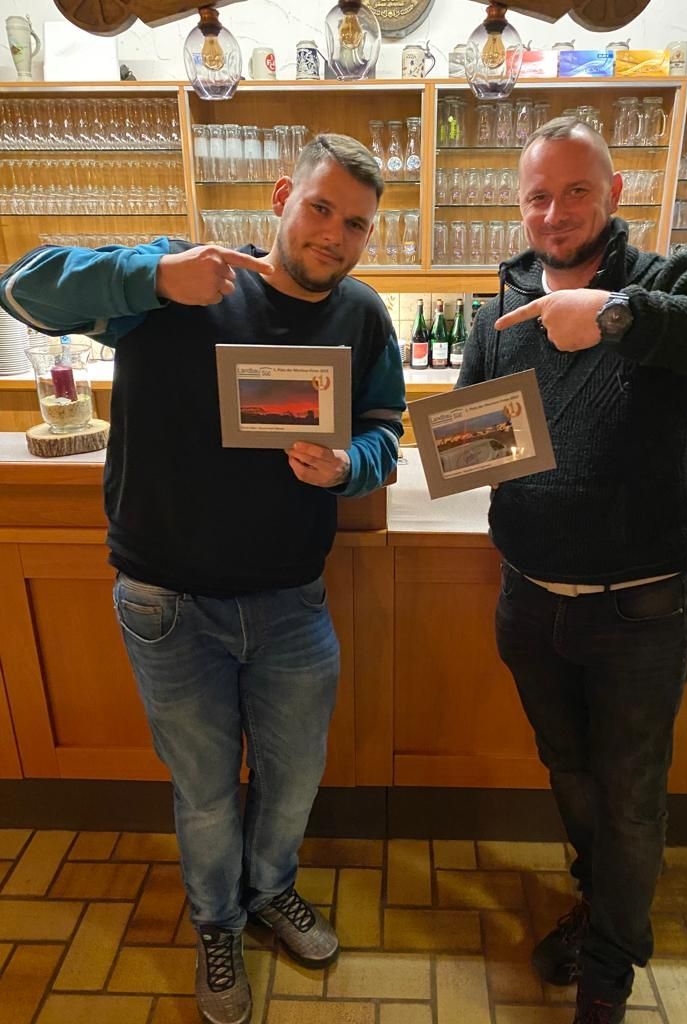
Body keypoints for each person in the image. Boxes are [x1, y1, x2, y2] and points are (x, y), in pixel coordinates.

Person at [0, 134, 405, 1024]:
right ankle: (217, 923)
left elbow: (386, 429)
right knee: (206, 790)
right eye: (321, 208)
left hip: (293, 603)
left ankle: (270, 890)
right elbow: (21, 286)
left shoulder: (362, 314)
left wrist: (350, 465)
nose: (334, 235)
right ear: (281, 196)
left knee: (294, 778)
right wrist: (150, 279)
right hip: (167, 604)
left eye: (357, 224)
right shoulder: (185, 276)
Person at [457, 117, 687, 1024]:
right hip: (528, 599)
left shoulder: (664, 282)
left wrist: (617, 316)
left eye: (576, 191)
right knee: (569, 770)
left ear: (616, 192)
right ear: (519, 206)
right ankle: (603, 911)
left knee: (630, 796)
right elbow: (475, 435)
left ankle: (608, 975)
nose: (555, 213)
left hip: (640, 609)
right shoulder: (501, 304)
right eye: (538, 196)